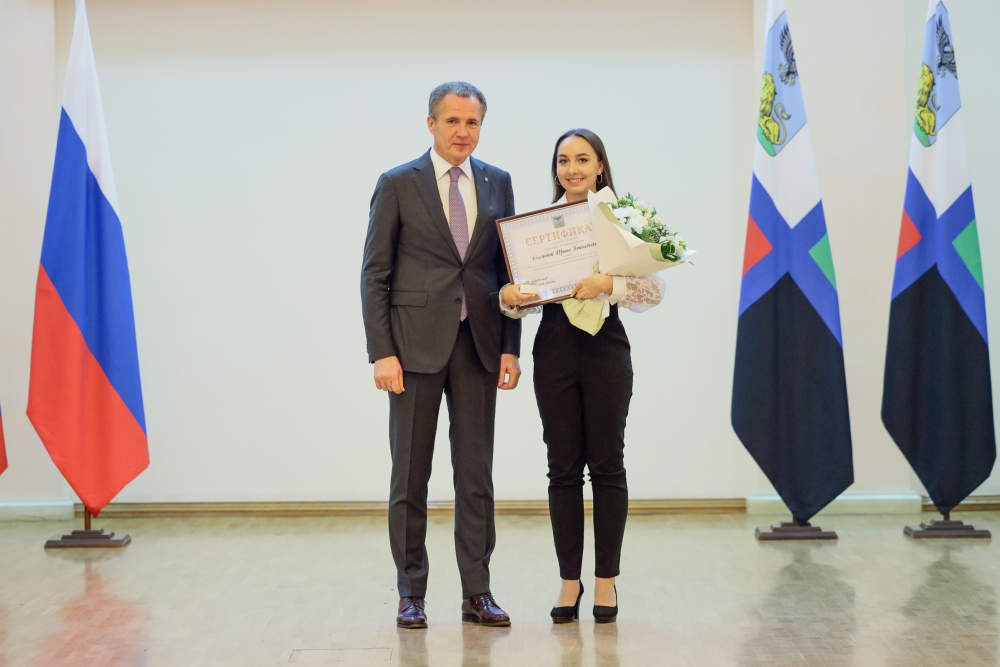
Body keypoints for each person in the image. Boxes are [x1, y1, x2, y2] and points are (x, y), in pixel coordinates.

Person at [361, 82, 522, 629]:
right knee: (410, 477)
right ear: (431, 124)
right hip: (412, 350)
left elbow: (507, 271)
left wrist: (509, 346)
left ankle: (478, 591)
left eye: (472, 122)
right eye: (452, 121)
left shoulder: (498, 182)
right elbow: (375, 274)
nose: (462, 132)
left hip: (479, 346)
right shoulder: (396, 183)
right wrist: (382, 352)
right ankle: (411, 592)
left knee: (476, 475)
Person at [500, 129, 665, 624]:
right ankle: (569, 581)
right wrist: (509, 299)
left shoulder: (620, 220)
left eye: (582, 160)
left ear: (599, 167)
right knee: (563, 469)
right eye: (563, 161)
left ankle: (606, 579)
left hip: (605, 349)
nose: (571, 169)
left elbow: (654, 290)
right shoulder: (535, 231)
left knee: (608, 466)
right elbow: (521, 300)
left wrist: (608, 283)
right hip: (554, 349)